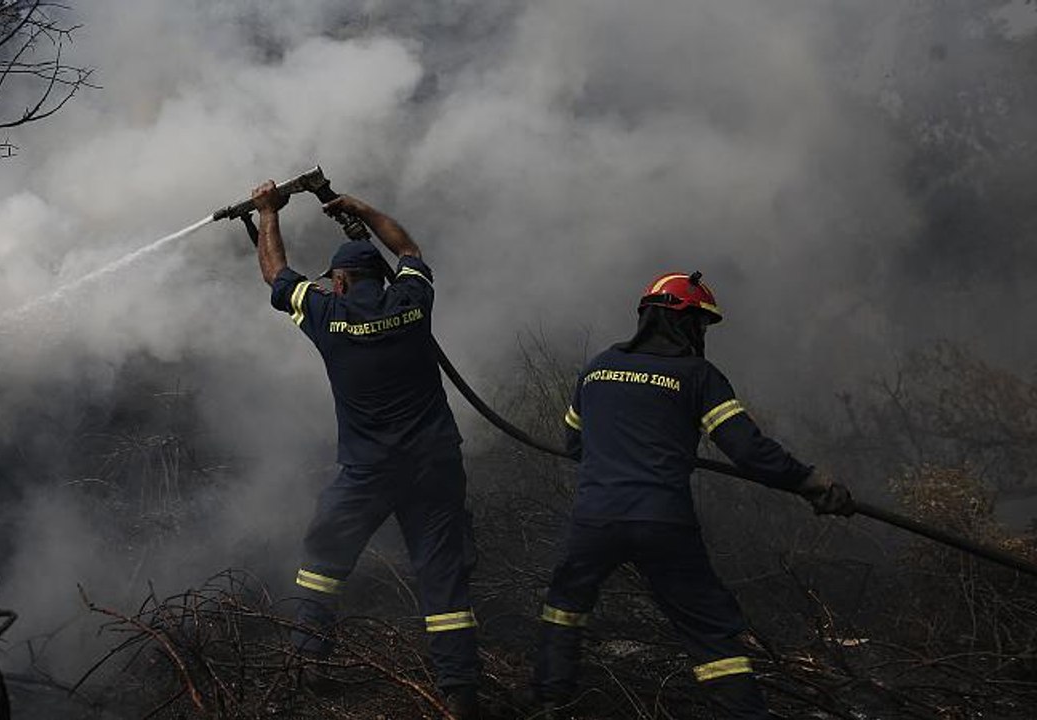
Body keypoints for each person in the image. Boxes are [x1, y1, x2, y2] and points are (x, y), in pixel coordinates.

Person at [532, 271, 854, 718]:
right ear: (680, 321)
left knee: (565, 604)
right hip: (663, 522)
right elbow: (748, 450)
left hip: (596, 518)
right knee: (707, 630)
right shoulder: (697, 375)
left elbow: (574, 444)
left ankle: (549, 701)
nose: (702, 334)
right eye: (699, 324)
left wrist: (621, 449)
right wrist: (814, 484)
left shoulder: (597, 369)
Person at [248, 181, 480, 718]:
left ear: (342, 280)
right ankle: (462, 693)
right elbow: (409, 252)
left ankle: (306, 662)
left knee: (323, 560)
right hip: (435, 464)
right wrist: (363, 209)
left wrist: (267, 213)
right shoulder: (411, 301)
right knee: (443, 578)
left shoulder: (329, 316)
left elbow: (275, 275)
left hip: (369, 472)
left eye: (333, 278)